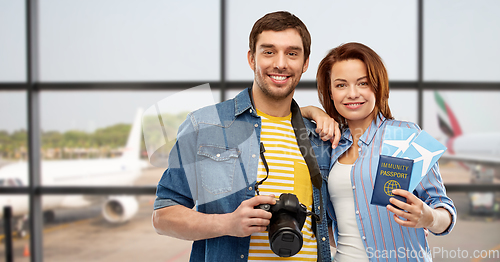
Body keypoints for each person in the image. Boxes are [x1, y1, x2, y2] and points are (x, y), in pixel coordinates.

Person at [152, 11, 340, 262]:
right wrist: (228, 224)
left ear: (305, 63)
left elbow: (335, 226)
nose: (281, 63)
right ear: (252, 59)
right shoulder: (204, 125)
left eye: (292, 53)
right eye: (269, 51)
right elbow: (163, 216)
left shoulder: (320, 137)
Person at [302, 42, 456, 261]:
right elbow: (277, 119)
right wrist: (313, 112)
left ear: (377, 86)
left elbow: (444, 209)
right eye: (341, 85)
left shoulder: (404, 135)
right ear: (330, 92)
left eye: (362, 83)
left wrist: (428, 217)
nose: (352, 94)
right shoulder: (329, 145)